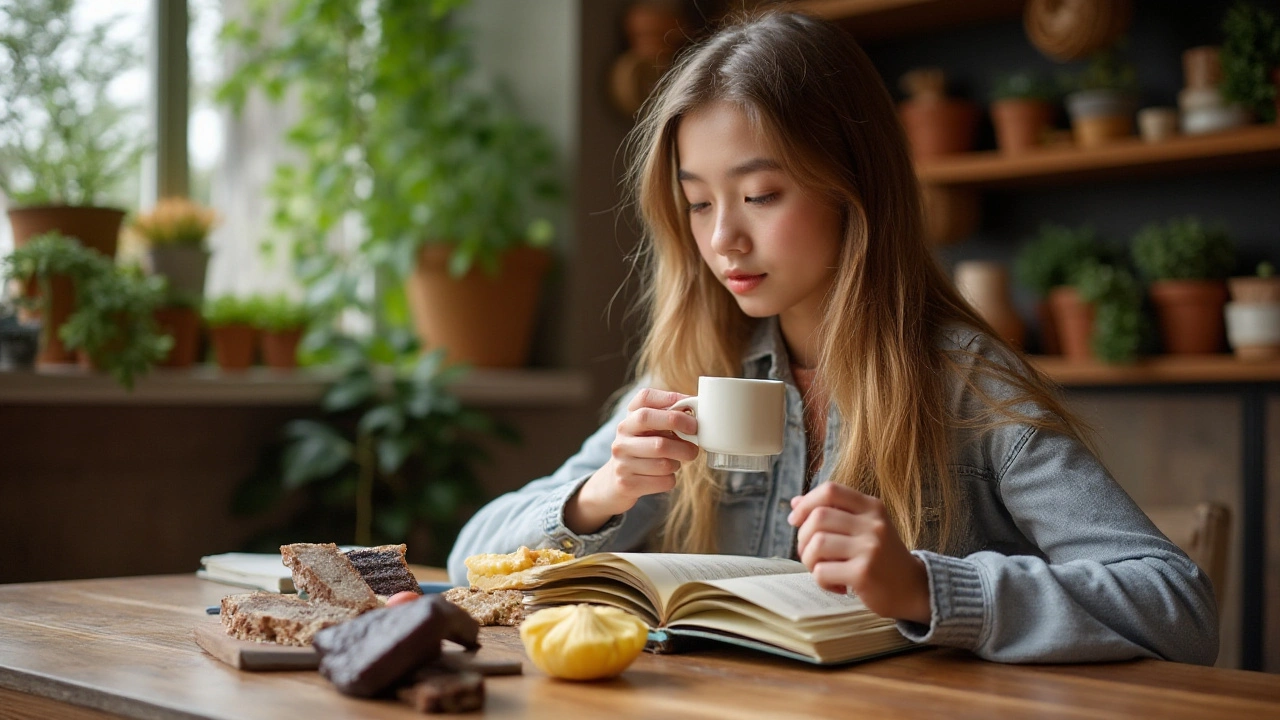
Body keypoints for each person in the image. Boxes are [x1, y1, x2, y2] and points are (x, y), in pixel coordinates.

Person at [447, 11, 1218, 665]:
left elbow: (1176, 605)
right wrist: (598, 498)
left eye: (760, 195)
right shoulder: (699, 365)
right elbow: (467, 559)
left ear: (853, 188)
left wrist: (924, 586)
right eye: (699, 202)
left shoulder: (966, 383)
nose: (724, 241)